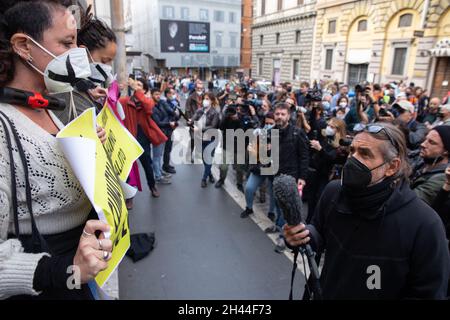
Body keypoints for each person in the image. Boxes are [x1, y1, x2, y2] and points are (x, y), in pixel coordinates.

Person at [0, 0, 113, 299]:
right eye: (67, 43)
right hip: (49, 282)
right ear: (23, 46)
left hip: (79, 277)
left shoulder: (50, 107)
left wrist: (92, 156)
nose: (79, 54)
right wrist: (67, 269)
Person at [284, 122, 450, 299]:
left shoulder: (424, 224)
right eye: (352, 151)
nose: (352, 159)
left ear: (392, 167)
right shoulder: (333, 192)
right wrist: (301, 236)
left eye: (364, 154)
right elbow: (318, 232)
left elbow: (429, 293)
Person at [249, 102, 309, 253]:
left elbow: (304, 157)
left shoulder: (297, 133)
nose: (280, 117)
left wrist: (302, 177)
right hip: (273, 175)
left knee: (286, 208)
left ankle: (283, 237)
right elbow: (261, 156)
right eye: (277, 114)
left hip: (290, 177)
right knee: (276, 203)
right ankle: (278, 225)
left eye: (283, 114)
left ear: (288, 116)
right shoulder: (269, 133)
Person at [120, 78, 167, 198]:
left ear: (145, 90)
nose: (136, 86)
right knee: (129, 169)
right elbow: (113, 103)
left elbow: (148, 106)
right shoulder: (125, 101)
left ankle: (152, 186)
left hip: (143, 140)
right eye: (135, 84)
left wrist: (138, 91)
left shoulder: (148, 102)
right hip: (129, 140)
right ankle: (129, 196)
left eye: (139, 85)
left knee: (147, 166)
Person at [306, 118, 347, 223]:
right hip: (316, 173)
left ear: (338, 130)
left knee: (320, 200)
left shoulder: (342, 145)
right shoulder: (325, 139)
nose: (328, 128)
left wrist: (320, 150)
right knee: (311, 199)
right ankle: (309, 221)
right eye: (328, 125)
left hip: (328, 177)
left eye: (332, 127)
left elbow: (332, 159)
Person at [411, 126, 450, 206]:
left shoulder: (443, 178)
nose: (423, 144)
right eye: (425, 139)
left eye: (431, 142)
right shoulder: (422, 159)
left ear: (446, 151)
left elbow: (412, 201)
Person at [192, 93, 220, 187]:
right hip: (201, 138)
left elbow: (213, 126)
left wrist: (199, 128)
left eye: (207, 99)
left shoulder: (215, 112)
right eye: (204, 98)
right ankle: (210, 174)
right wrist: (190, 121)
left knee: (208, 158)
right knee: (204, 159)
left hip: (211, 138)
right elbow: (194, 118)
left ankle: (204, 179)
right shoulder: (200, 110)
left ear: (212, 101)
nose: (205, 100)